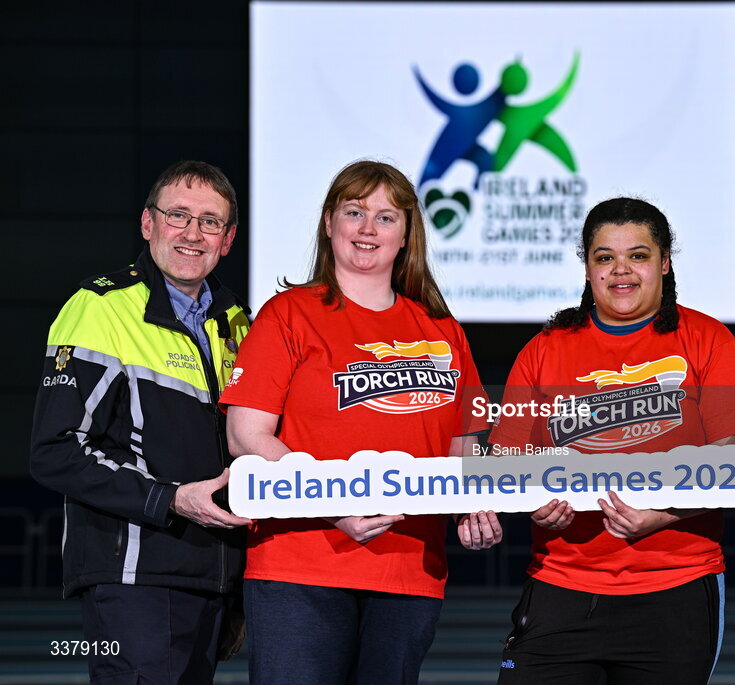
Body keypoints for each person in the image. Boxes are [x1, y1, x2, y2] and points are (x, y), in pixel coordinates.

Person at [220, 160, 502, 684]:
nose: (368, 228)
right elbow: (245, 436)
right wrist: (334, 503)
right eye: (354, 212)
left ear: (406, 234)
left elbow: (465, 444)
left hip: (410, 568)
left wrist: (475, 505)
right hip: (300, 563)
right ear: (330, 224)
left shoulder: (443, 331)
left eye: (385, 217)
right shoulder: (288, 314)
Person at [490, 197, 735, 684]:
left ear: (664, 262)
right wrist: (532, 501)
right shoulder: (543, 349)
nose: (621, 271)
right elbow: (509, 460)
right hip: (560, 588)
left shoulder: (709, 340)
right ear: (588, 268)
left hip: (675, 588)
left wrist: (666, 513)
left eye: (637, 255)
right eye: (604, 257)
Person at [30, 160, 252, 684]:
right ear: (148, 224)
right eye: (178, 215)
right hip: (134, 579)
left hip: (213, 579)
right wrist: (170, 499)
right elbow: (54, 450)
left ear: (228, 239)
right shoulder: (100, 307)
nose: (193, 233)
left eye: (210, 222)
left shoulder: (238, 322)